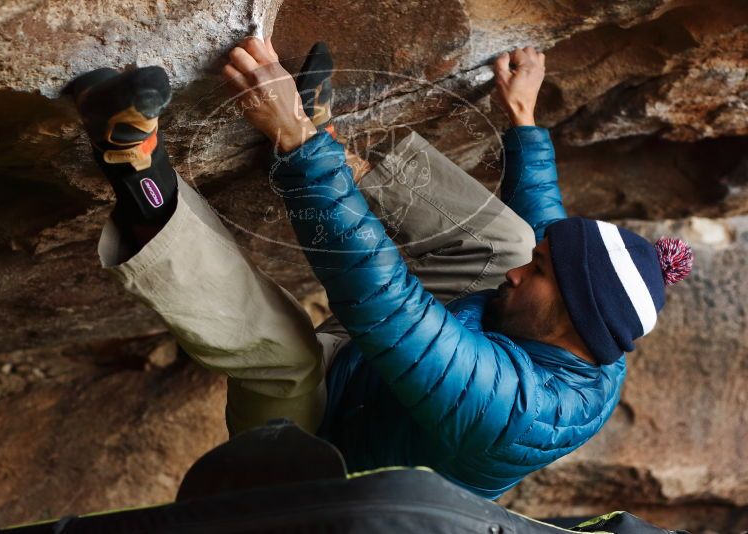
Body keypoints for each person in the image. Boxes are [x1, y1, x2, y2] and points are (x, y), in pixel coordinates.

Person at [65, 36, 693, 499]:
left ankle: (133, 159)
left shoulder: (514, 411)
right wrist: (524, 117)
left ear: (569, 323)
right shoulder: (598, 331)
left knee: (288, 354)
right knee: (512, 237)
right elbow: (548, 233)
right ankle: (338, 152)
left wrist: (294, 143)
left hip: (312, 468)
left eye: (540, 276)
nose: (519, 275)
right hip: (385, 378)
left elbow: (386, 303)